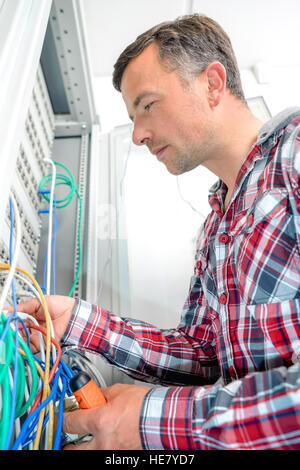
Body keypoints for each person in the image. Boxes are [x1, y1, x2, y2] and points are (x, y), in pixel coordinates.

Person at [15, 14, 300, 450]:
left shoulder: (293, 154)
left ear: (212, 84)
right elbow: (202, 357)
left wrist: (153, 422)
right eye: (132, 116)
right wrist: (80, 321)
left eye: (147, 105)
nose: (137, 135)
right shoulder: (214, 232)